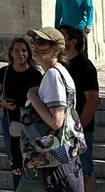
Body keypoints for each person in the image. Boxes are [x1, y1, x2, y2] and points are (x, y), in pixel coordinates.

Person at [17, 26, 85, 192]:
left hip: (44, 166)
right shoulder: (60, 72)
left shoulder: (53, 75)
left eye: (41, 42)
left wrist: (31, 96)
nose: (35, 46)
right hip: (54, 160)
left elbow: (56, 121)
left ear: (57, 49)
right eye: (34, 41)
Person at [0, 37, 42, 189]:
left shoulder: (35, 75)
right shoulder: (4, 72)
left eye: (24, 51)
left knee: (32, 160)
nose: (21, 54)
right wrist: (2, 103)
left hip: (30, 124)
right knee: (15, 161)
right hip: (10, 122)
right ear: (11, 53)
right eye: (17, 50)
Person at [60, 25, 100, 192]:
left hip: (80, 131)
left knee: (85, 172)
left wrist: (79, 129)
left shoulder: (85, 66)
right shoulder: (62, 65)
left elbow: (92, 100)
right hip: (63, 131)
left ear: (72, 41)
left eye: (61, 37)